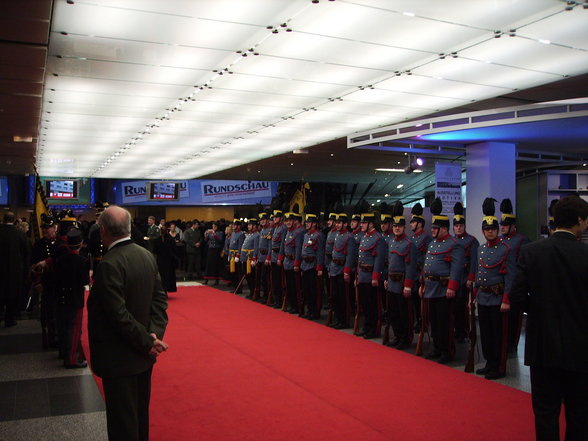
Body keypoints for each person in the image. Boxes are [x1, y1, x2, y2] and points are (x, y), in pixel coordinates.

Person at [510, 195, 588, 441]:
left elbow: (517, 295)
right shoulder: (585, 254)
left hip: (543, 345)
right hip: (581, 346)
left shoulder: (531, 252)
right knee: (579, 413)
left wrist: (540, 311)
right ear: (578, 220)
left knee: (545, 412)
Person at [87, 205, 168, 441]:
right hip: (143, 356)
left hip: (119, 357)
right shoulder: (146, 256)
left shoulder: (109, 264)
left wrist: (147, 341)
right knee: (140, 418)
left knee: (123, 424)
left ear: (102, 230)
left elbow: (117, 315)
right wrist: (153, 335)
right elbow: (159, 301)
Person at [472, 198, 516, 380]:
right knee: (486, 334)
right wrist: (474, 295)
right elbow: (478, 272)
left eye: (493, 229)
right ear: (483, 231)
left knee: (498, 334)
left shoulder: (506, 248)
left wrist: (506, 299)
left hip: (498, 298)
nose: (490, 232)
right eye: (487, 229)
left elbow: (510, 276)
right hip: (483, 296)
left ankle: (499, 366)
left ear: (497, 230)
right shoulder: (481, 249)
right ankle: (489, 362)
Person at [420, 198, 464, 363]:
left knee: (445, 322)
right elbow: (428, 265)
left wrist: (452, 287)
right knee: (435, 322)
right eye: (433, 228)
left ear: (444, 229)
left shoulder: (454, 244)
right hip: (431, 287)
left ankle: (447, 351)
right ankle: (437, 347)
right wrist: (423, 284)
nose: (432, 231)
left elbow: (457, 268)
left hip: (444, 289)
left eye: (436, 228)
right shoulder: (432, 244)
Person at [55, 229, 90, 368]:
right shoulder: (81, 261)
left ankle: (63, 352)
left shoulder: (60, 259)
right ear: (80, 244)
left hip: (62, 296)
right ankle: (71, 359)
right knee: (74, 329)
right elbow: (84, 281)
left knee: (63, 325)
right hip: (75, 297)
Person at [384, 202, 417, 349]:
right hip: (391, 283)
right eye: (395, 226)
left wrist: (408, 286)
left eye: (400, 226)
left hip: (402, 284)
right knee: (393, 313)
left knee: (405, 314)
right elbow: (389, 262)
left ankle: (406, 338)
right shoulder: (391, 242)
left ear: (404, 227)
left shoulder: (409, 244)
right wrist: (386, 278)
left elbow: (410, 267)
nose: (397, 228)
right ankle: (397, 336)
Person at [499, 198, 530, 353]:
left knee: (514, 318)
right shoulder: (499, 241)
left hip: (516, 283)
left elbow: (524, 264)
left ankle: (512, 343)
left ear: (513, 226)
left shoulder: (522, 240)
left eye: (505, 225)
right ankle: (504, 341)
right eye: (502, 225)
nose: (503, 228)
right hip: (501, 283)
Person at [451, 202, 479, 343]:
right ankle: (456, 330)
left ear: (464, 226)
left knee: (462, 307)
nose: (458, 228)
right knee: (454, 307)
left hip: (464, 278)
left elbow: (474, 261)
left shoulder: (472, 241)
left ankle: (463, 332)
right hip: (453, 278)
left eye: (460, 225)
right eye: (456, 226)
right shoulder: (451, 241)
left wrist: (471, 278)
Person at [356, 212, 386, 339]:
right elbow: (360, 258)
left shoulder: (378, 238)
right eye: (361, 222)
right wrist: (358, 275)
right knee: (365, 304)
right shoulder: (364, 237)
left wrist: (375, 277)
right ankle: (367, 327)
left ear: (371, 224)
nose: (361, 225)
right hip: (363, 275)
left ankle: (374, 329)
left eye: (364, 223)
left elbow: (379, 260)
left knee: (373, 305)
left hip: (371, 277)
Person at [0, 212, 30, 327]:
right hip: (15, 269)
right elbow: (26, 251)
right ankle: (9, 319)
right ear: (14, 220)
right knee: (12, 294)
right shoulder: (20, 234)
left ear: (3, 219)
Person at [328, 212, 355, 329]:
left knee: (343, 297)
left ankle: (344, 320)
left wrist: (346, 271)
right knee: (335, 296)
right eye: (337, 223)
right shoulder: (336, 235)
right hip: (334, 268)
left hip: (342, 269)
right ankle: (338, 319)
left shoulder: (349, 237)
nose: (337, 225)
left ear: (345, 224)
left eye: (340, 223)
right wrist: (330, 268)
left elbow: (350, 256)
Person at [300, 212, 325, 319]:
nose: (307, 224)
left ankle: (315, 312)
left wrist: (319, 267)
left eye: (309, 222)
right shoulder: (306, 235)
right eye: (306, 222)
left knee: (314, 290)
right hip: (305, 265)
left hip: (313, 266)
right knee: (306, 290)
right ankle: (309, 310)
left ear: (314, 224)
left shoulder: (318, 235)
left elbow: (320, 252)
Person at [153, 223, 178, 294]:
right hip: (169, 261)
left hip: (160, 261)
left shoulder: (157, 240)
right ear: (167, 231)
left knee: (161, 276)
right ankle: (166, 290)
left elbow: (155, 251)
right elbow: (174, 250)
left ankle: (161, 291)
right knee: (168, 276)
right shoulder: (171, 240)